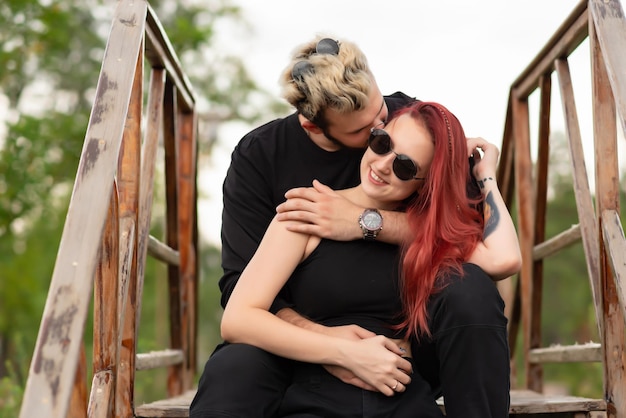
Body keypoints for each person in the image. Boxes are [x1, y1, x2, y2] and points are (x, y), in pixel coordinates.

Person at [190, 35, 520, 418]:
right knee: (234, 369)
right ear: (315, 128)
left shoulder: (408, 123)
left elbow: (497, 255)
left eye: (405, 166)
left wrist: (365, 222)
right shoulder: (272, 171)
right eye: (376, 139)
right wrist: (337, 348)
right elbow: (240, 302)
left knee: (472, 289)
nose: (382, 141)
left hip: (408, 351)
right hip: (303, 342)